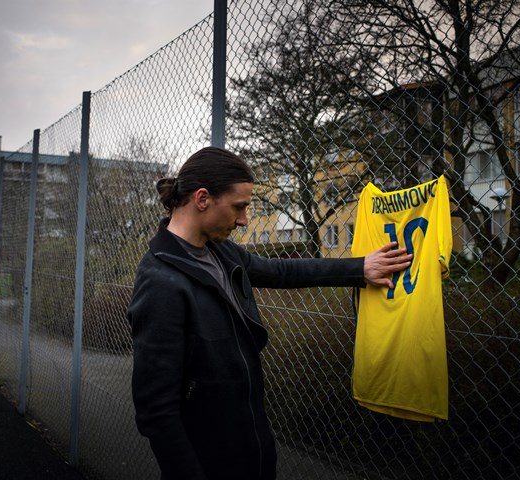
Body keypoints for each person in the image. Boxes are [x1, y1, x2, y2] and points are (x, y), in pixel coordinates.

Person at [127, 146, 412, 480]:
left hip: (254, 453)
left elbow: (282, 272)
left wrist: (360, 267)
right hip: (210, 464)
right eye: (239, 207)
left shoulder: (220, 252)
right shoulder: (161, 284)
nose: (244, 219)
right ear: (202, 199)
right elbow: (156, 413)